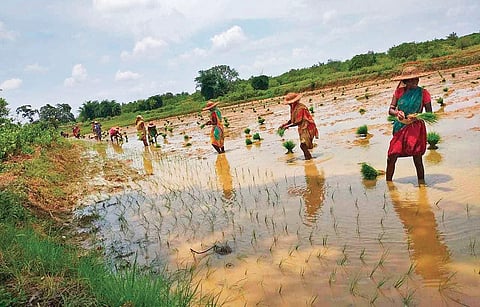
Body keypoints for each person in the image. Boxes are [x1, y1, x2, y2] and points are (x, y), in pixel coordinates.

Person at [386, 66, 432, 185]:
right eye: (410, 80)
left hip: (415, 128)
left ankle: (422, 185)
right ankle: (389, 184)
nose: (414, 82)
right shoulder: (399, 92)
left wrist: (417, 116)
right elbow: (390, 109)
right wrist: (397, 112)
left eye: (416, 79)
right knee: (392, 155)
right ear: (405, 81)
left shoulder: (423, 93)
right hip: (400, 126)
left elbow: (430, 113)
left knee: (417, 157)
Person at [279, 92, 318, 160]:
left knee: (303, 145)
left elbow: (298, 121)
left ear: (294, 102)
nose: (289, 105)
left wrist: (287, 126)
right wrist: (284, 125)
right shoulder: (293, 109)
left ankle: (309, 160)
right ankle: (308, 158)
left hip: (308, 127)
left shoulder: (301, 108)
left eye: (290, 103)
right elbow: (292, 120)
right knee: (304, 146)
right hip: (302, 128)